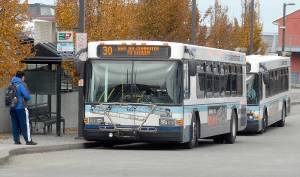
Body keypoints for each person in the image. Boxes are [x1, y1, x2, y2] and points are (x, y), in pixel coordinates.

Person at [10, 71, 37, 145]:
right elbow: (27, 96)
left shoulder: (11, 84)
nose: (24, 78)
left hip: (12, 108)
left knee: (15, 124)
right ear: (22, 77)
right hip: (21, 107)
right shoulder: (21, 84)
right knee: (25, 124)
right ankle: (28, 140)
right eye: (24, 77)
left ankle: (16, 140)